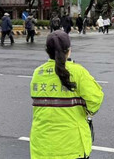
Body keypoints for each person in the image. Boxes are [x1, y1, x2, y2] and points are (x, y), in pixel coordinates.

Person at [29, 31, 104, 159]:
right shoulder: (77, 71)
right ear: (69, 50)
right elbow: (96, 98)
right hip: (72, 146)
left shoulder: (38, 72)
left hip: (41, 146)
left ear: (47, 51)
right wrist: (87, 113)